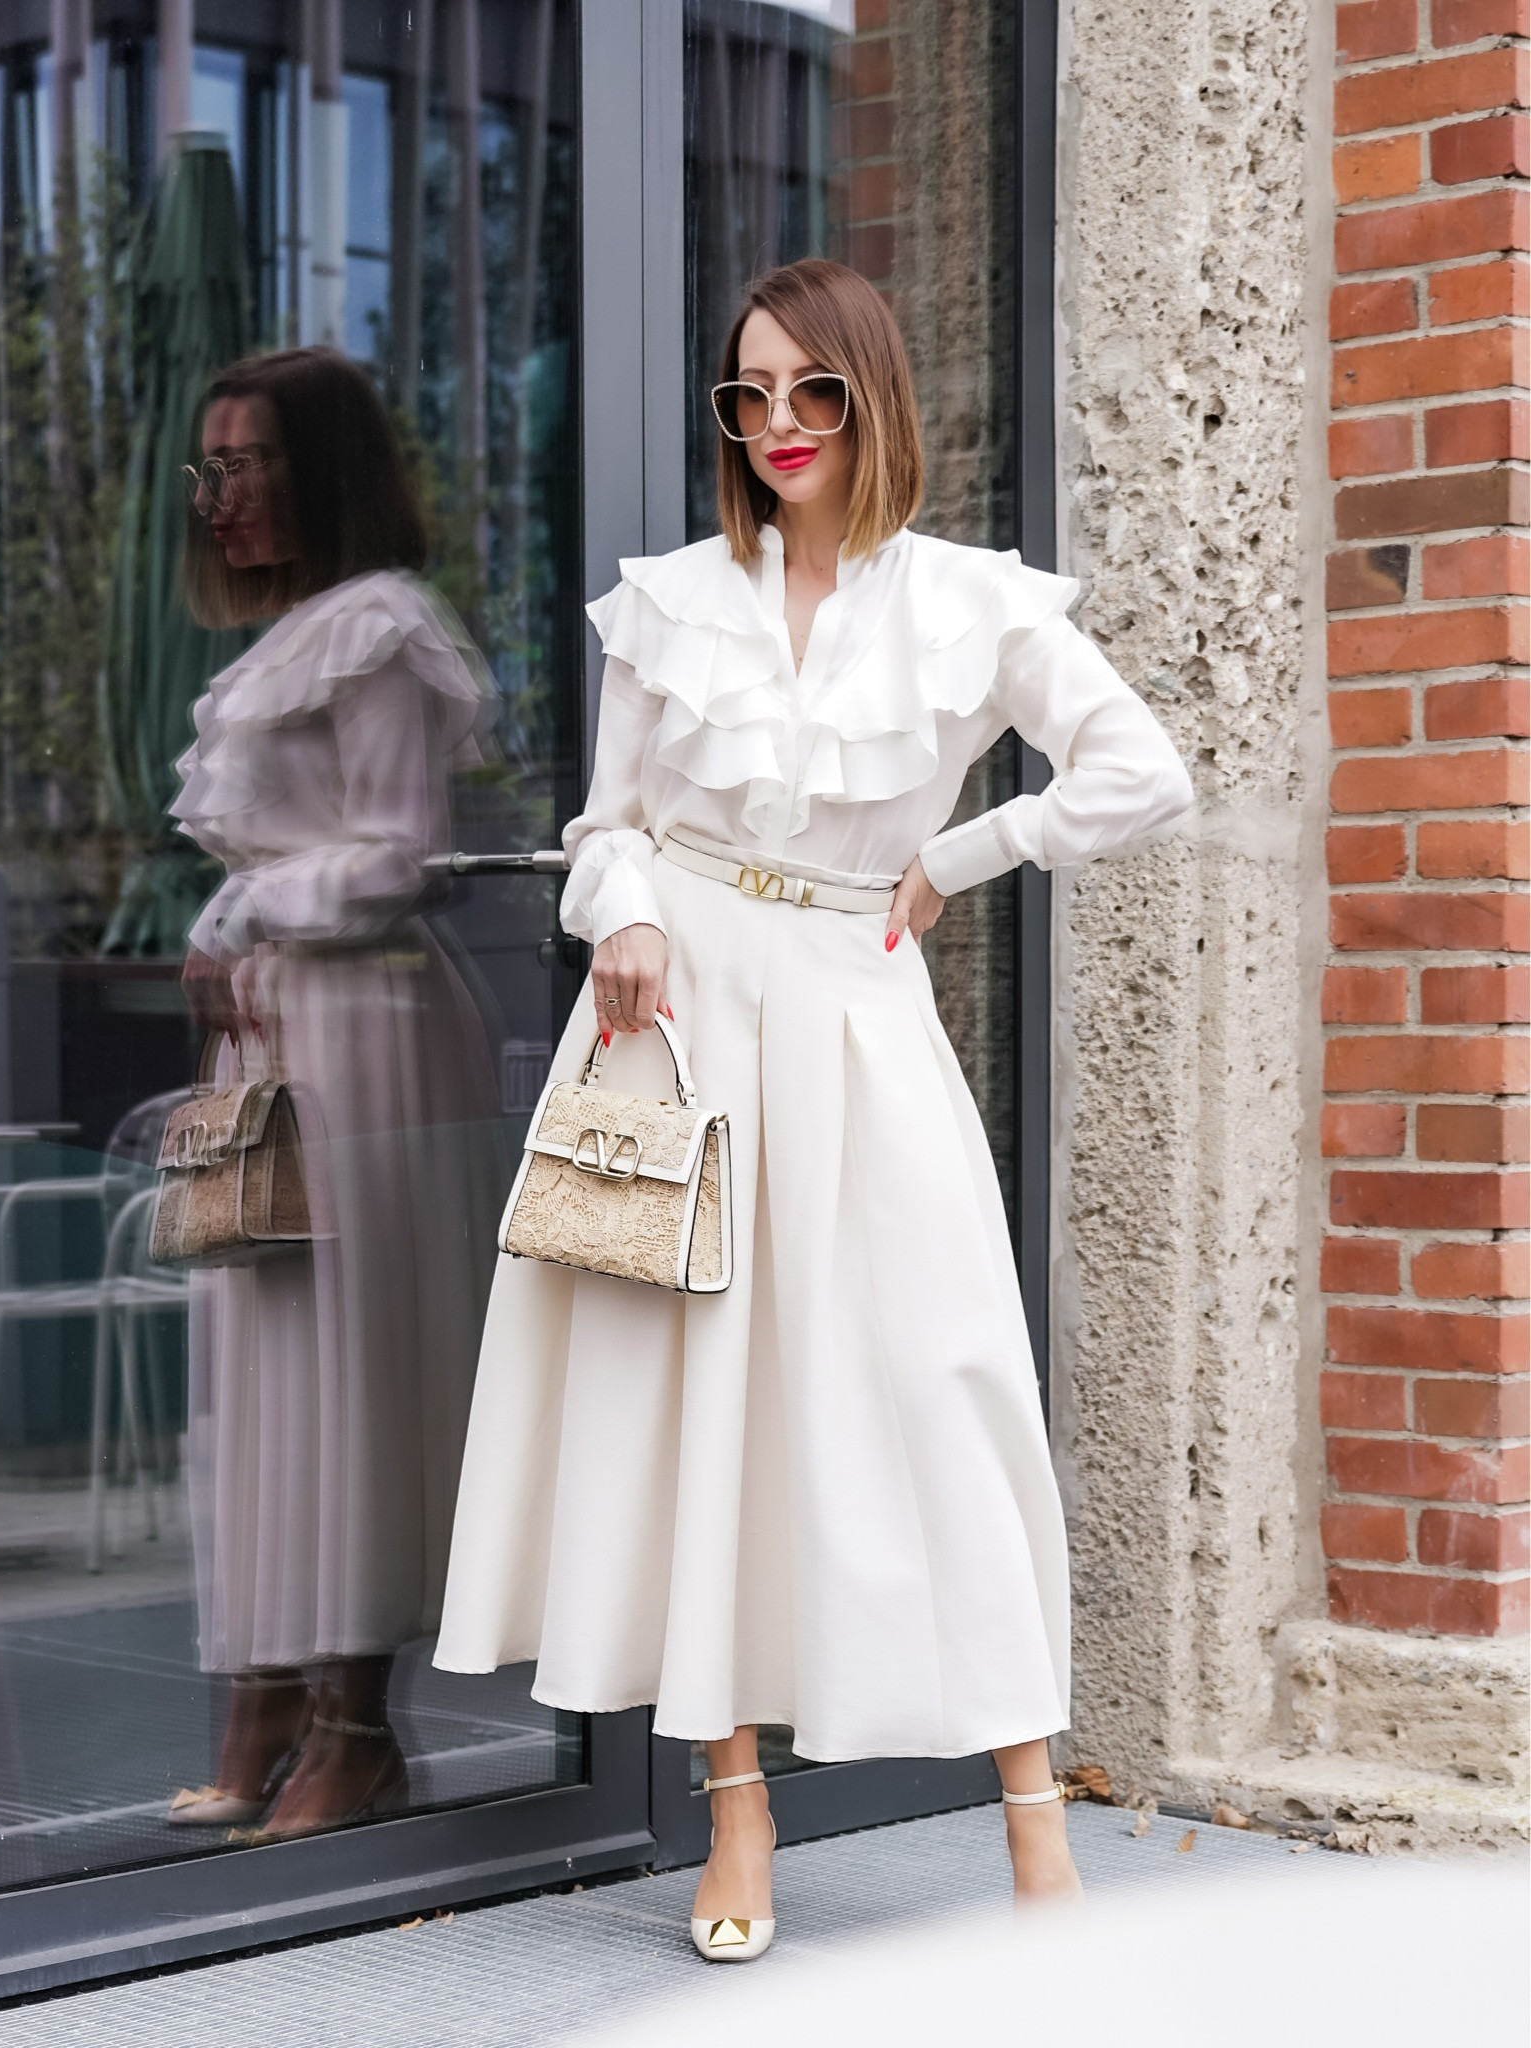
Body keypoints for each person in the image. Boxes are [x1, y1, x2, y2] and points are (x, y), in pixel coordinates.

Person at [433, 260, 1193, 1955]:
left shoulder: (972, 604)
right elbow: (605, 823)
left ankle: (1038, 1830)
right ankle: (740, 1818)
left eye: (814, 393)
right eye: (747, 396)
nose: (777, 425)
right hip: (677, 1022)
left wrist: (956, 854)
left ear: (874, 399)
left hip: (856, 1015)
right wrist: (617, 902)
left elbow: (1144, 772)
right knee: (700, 1407)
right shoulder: (669, 603)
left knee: (944, 1388)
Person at [167, 347, 501, 1838]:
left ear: (327, 471)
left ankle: (356, 1731)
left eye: (248, 464)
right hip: (277, 1037)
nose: (220, 498)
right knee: (259, 1371)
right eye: (209, 469)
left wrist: (241, 916)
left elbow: (399, 854)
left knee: (349, 1375)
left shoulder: (381, 631)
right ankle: (268, 1710)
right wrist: (230, 936)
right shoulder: (291, 637)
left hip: (361, 1036)